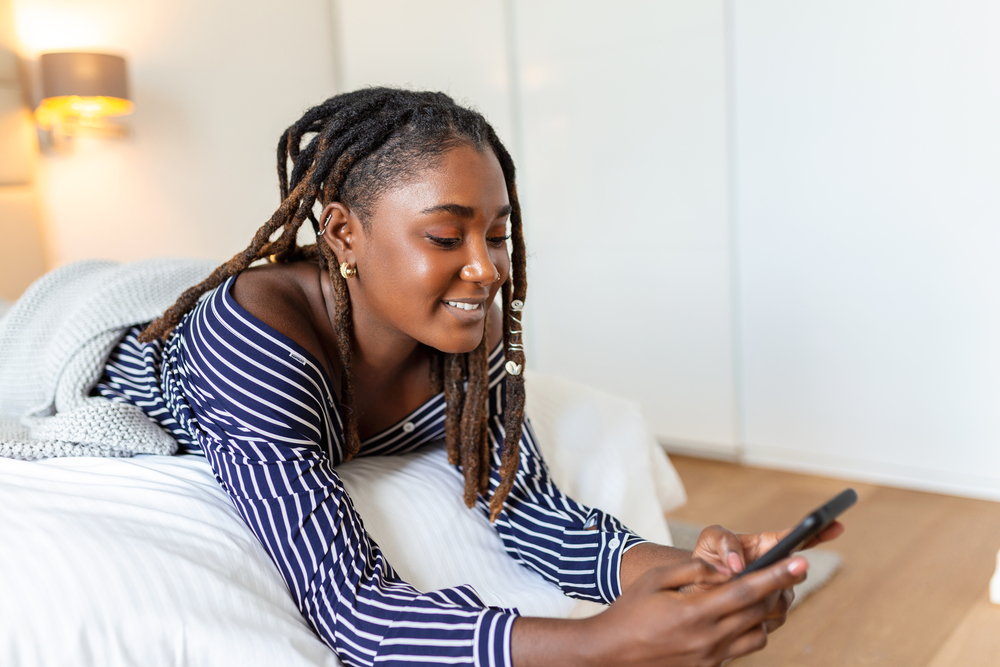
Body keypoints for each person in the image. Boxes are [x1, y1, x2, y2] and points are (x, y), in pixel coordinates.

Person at [94, 88, 841, 667]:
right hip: (108, 338)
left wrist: (689, 567)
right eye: (446, 236)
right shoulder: (256, 344)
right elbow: (352, 609)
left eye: (498, 234)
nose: (485, 270)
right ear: (343, 233)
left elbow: (535, 513)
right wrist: (598, 645)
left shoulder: (461, 337)